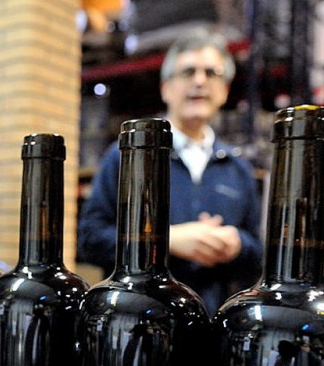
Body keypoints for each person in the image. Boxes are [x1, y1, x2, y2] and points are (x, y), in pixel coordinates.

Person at [77, 28, 264, 315]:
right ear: (166, 87)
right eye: (188, 72)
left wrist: (237, 244)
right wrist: (168, 240)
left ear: (225, 90)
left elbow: (258, 254)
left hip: (212, 327)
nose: (200, 81)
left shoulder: (238, 169)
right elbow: (90, 239)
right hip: (140, 321)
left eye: (211, 73)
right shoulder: (127, 156)